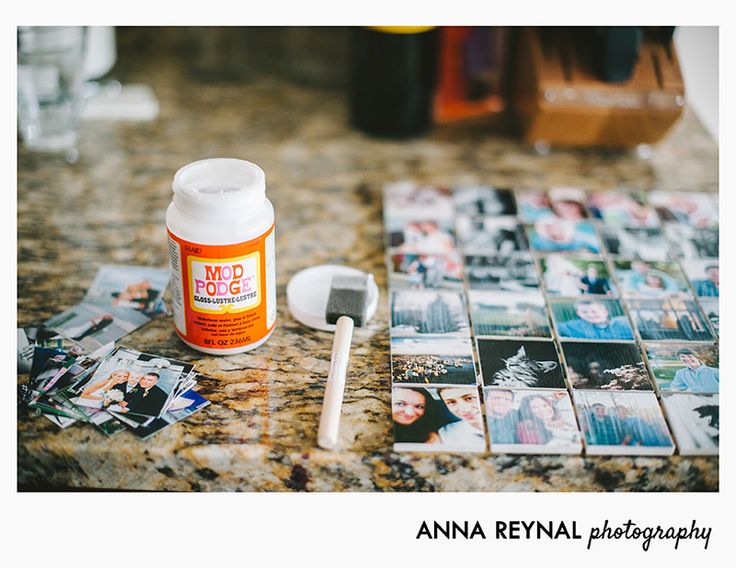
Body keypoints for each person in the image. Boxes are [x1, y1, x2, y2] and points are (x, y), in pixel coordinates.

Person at [556, 299, 634, 340]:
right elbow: (554, 327)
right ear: (578, 313)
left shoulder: (624, 323)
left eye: (594, 311)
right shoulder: (574, 326)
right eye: (584, 312)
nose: (590, 315)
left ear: (605, 311)